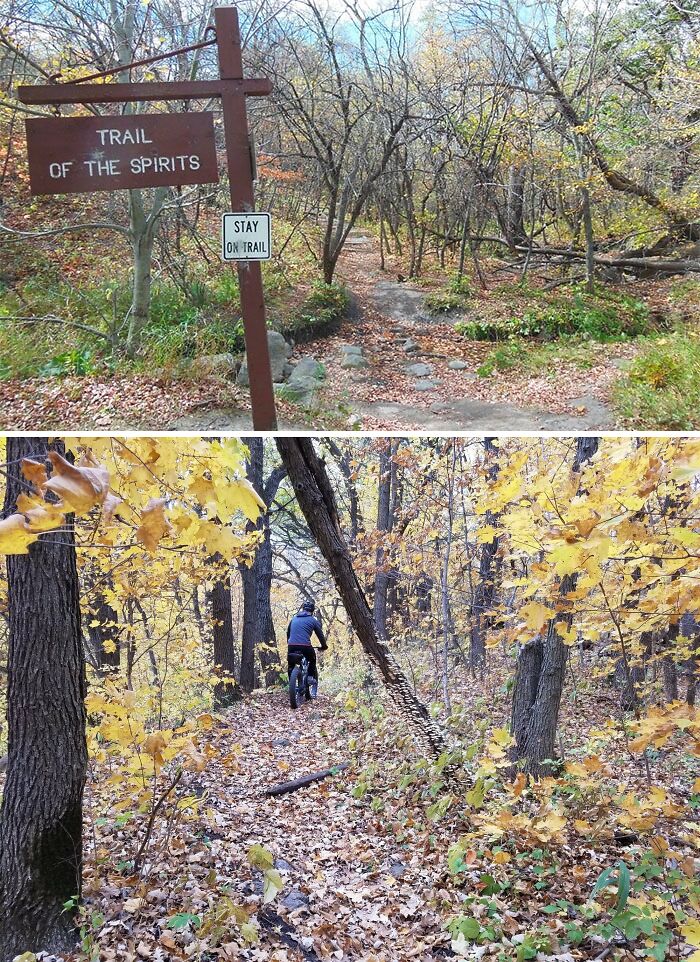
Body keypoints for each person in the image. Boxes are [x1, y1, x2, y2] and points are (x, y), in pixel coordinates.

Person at [286, 599, 327, 697]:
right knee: (312, 659)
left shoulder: (294, 618)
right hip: (305, 646)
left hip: (291, 645)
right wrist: (324, 646)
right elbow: (320, 635)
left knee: (291, 665)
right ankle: (309, 677)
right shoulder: (313, 620)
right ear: (312, 611)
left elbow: (287, 632)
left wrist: (290, 642)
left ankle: (291, 682)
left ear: (303, 609)